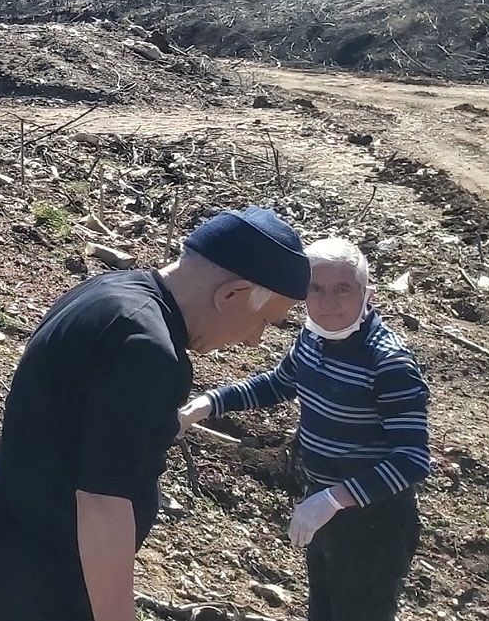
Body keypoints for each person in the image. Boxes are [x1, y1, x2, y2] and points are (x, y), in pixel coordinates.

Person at [0, 206, 310, 621]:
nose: (254, 340)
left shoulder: (111, 291)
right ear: (231, 294)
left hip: (9, 551)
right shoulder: (145, 349)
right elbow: (103, 503)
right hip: (40, 580)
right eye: (263, 321)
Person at [182, 238, 429, 621]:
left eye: (343, 289)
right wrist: (209, 403)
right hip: (323, 504)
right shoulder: (313, 338)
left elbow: (412, 459)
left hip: (374, 520)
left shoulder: (388, 363)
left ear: (368, 295)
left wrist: (335, 499)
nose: (328, 302)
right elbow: (279, 383)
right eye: (316, 289)